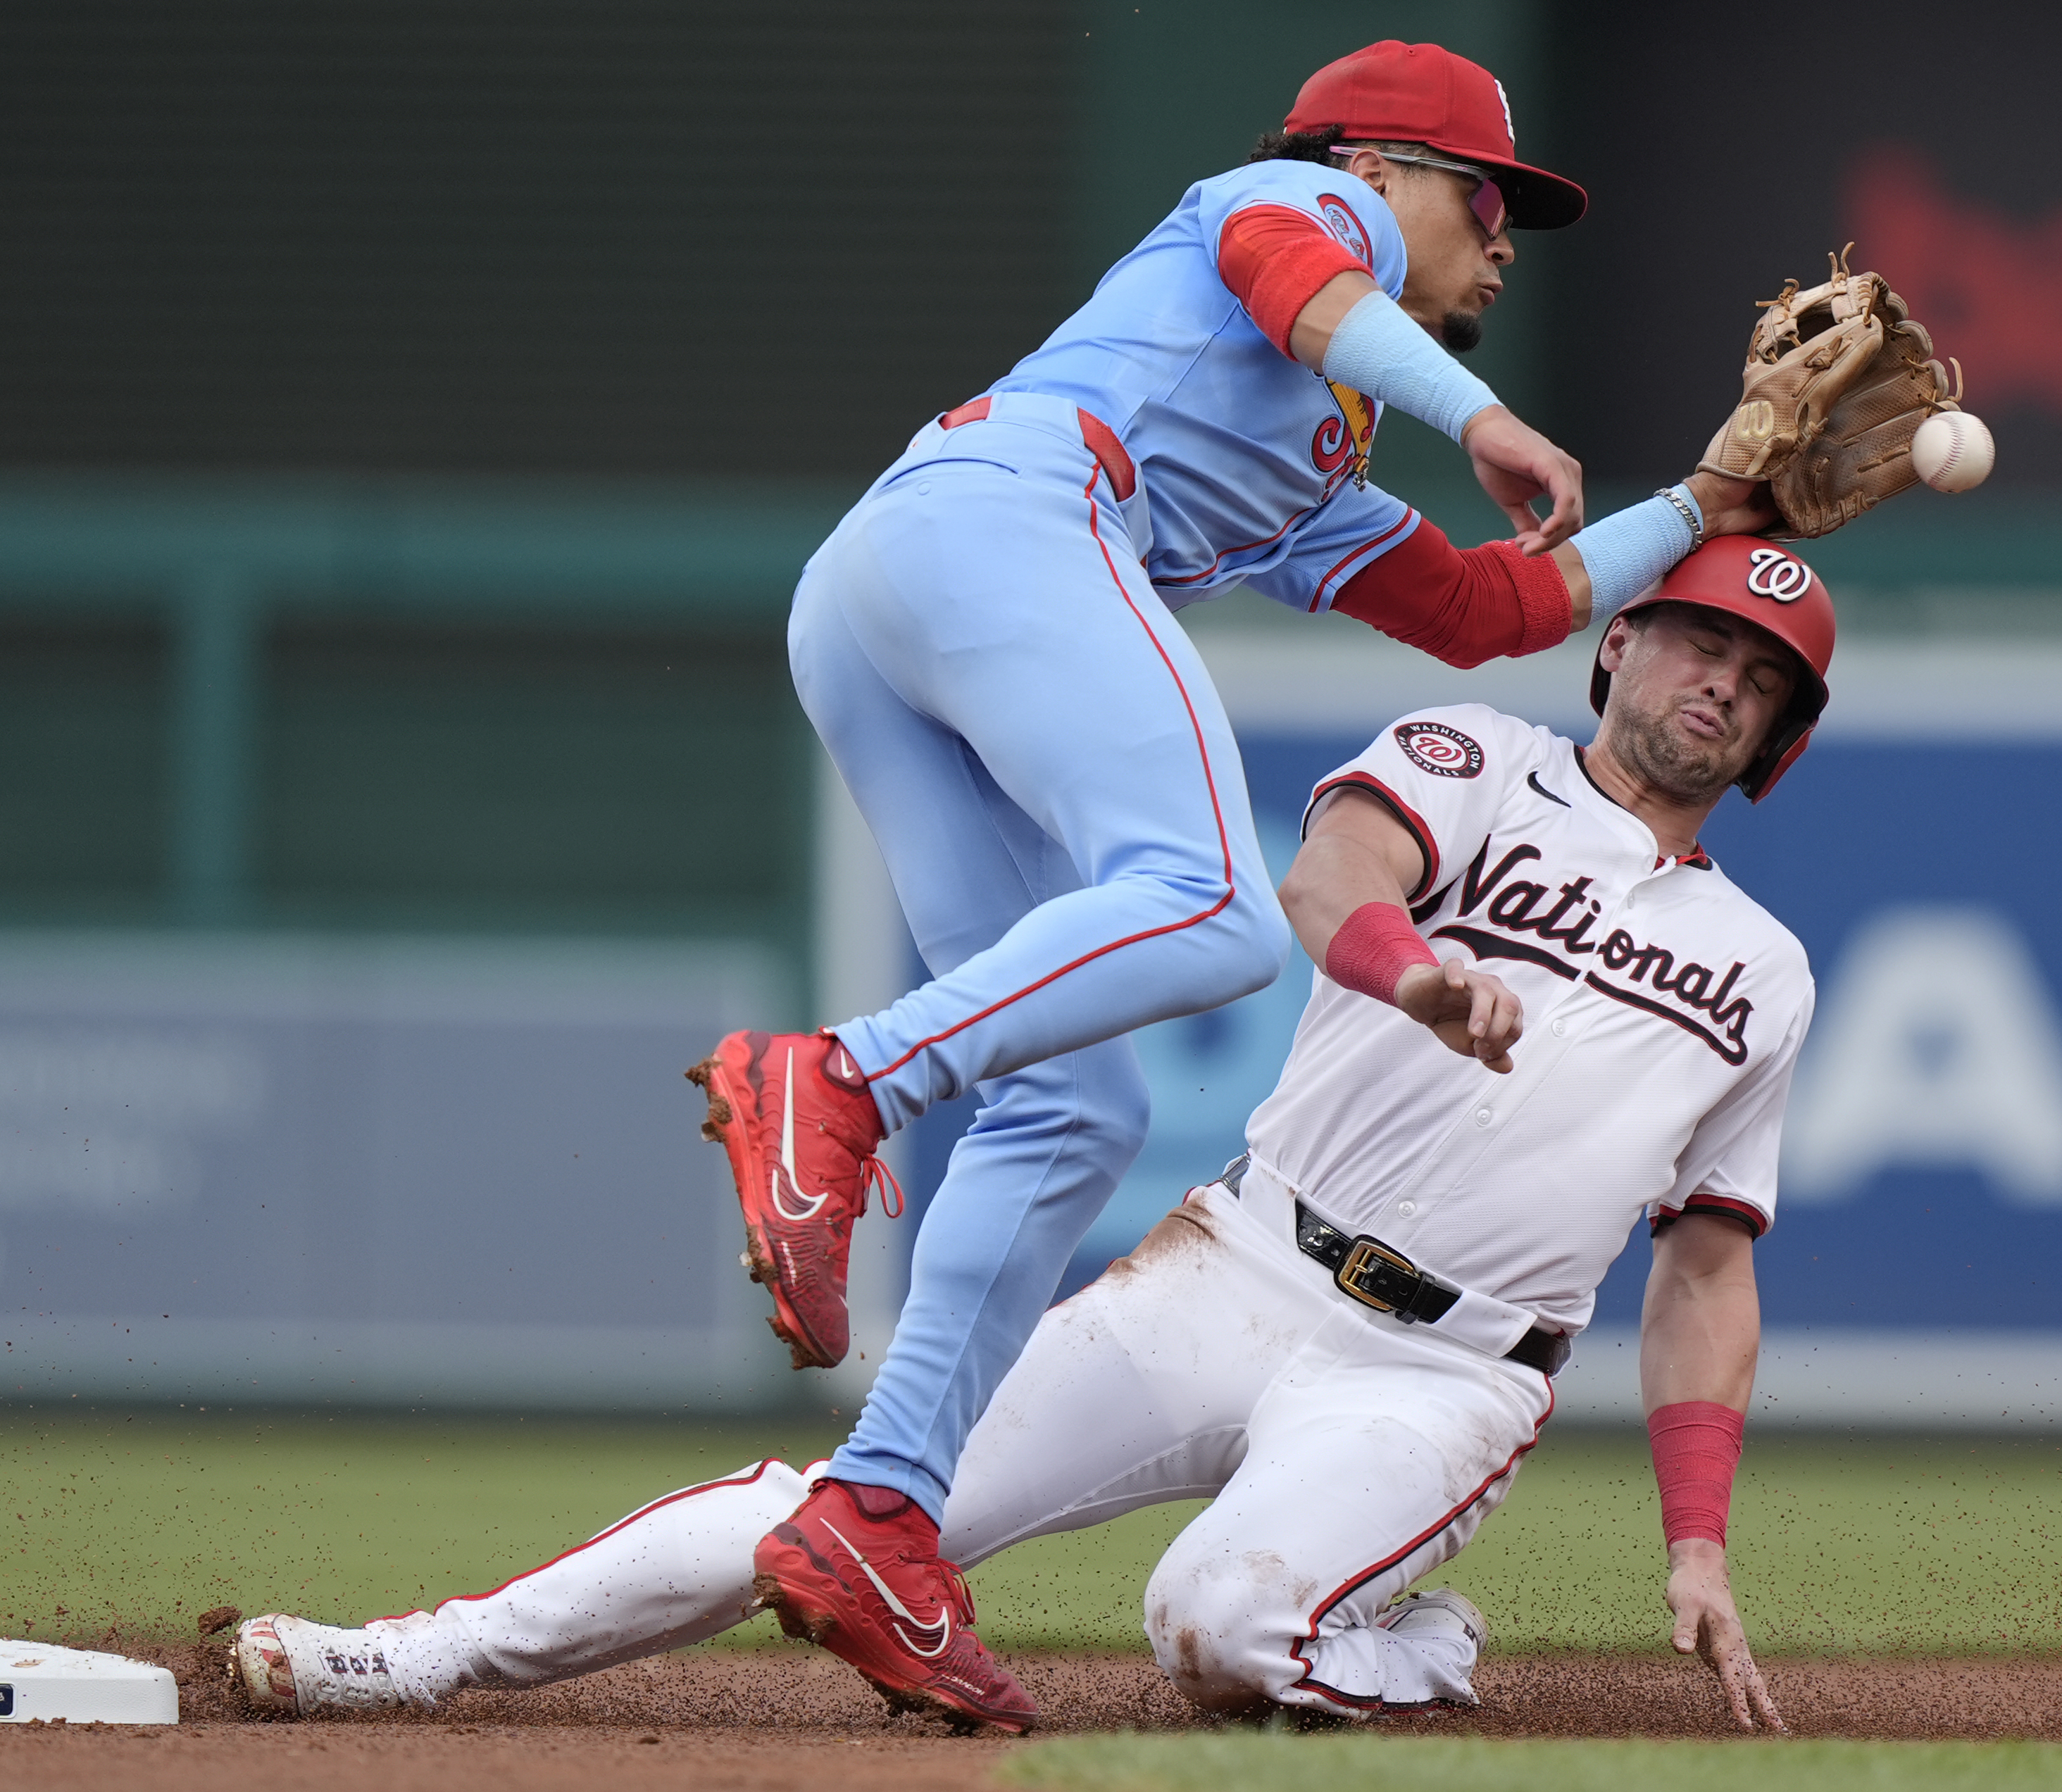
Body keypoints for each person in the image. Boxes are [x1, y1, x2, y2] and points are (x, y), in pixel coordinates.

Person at [232, 537, 1835, 1736]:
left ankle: (1408, 1638)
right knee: (854, 1514)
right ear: (1618, 642)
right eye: (1701, 641)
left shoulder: (1763, 970)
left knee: (1216, 1635)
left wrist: (1697, 1542)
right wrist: (1416, 975)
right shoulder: (1478, 757)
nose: (1722, 683)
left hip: (1444, 1371)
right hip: (1237, 1265)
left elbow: (1704, 1270)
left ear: (1775, 745)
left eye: (1760, 680)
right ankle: (423, 1651)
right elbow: (1326, 883)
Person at [676, 39, 1766, 1727]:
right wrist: (1475, 409)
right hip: (1018, 515)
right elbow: (1300, 276)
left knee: (1072, 1111)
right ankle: (838, 1079)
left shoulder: (1306, 444)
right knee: (1209, 906)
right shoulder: (1284, 205)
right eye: (1485, 200)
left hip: (882, 589)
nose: (1501, 241)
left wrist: (1706, 501)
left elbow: (1490, 614)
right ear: (1384, 171)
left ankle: (880, 1513)